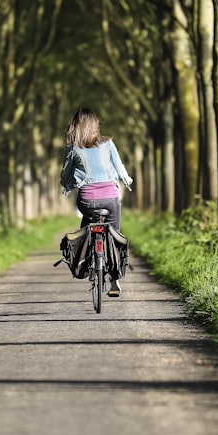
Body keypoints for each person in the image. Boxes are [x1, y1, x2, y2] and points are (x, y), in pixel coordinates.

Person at [60, 108, 134, 296]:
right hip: (110, 198)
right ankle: (114, 278)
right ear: (95, 125)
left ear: (76, 126)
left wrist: (66, 185)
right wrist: (127, 180)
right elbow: (119, 167)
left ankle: (83, 260)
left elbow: (66, 174)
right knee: (115, 234)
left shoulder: (73, 147)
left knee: (87, 224)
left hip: (86, 200)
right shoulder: (108, 143)